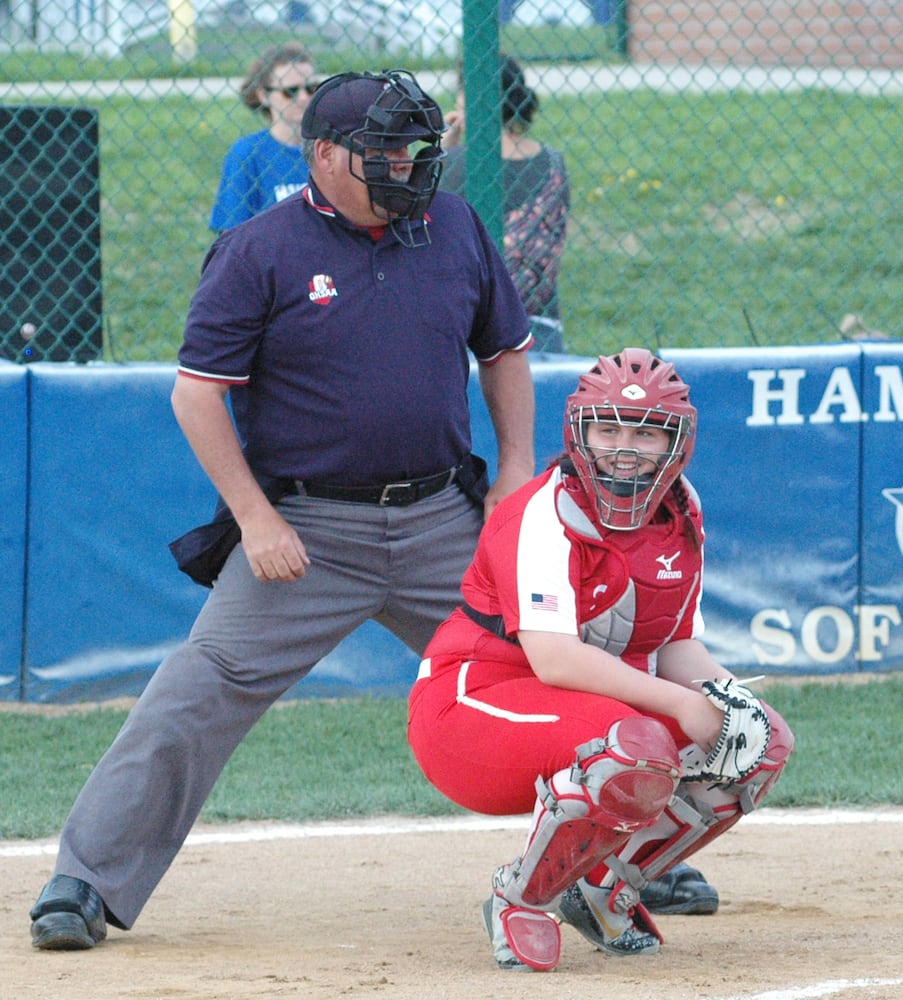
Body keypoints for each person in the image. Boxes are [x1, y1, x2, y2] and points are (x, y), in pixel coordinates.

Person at [28, 70, 538, 952]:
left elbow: (505, 351)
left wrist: (518, 472)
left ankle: (629, 857)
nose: (409, 166)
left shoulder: (451, 224)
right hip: (310, 534)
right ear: (326, 155)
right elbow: (197, 396)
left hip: (439, 523)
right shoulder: (259, 248)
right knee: (199, 685)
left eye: (418, 147)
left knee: (544, 667)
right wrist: (256, 518)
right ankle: (84, 878)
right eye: (385, 149)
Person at [406, 348, 793, 972]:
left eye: (645, 431)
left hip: (579, 708)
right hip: (470, 707)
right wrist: (682, 706)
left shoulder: (681, 512)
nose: (624, 447)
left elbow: (673, 646)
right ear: (577, 431)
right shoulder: (542, 511)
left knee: (759, 744)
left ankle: (606, 884)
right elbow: (555, 659)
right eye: (607, 428)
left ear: (679, 442)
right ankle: (521, 900)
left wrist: (730, 704)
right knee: (636, 746)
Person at [442, 55, 571, 352]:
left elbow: (416, 198)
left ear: (470, 99)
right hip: (541, 327)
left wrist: (447, 145)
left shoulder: (455, 163)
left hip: (471, 326)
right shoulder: (554, 163)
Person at [209, 42, 319, 231]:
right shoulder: (247, 154)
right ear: (264, 96)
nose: (303, 98)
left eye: (310, 88)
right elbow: (231, 236)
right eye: (290, 91)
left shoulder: (329, 149)